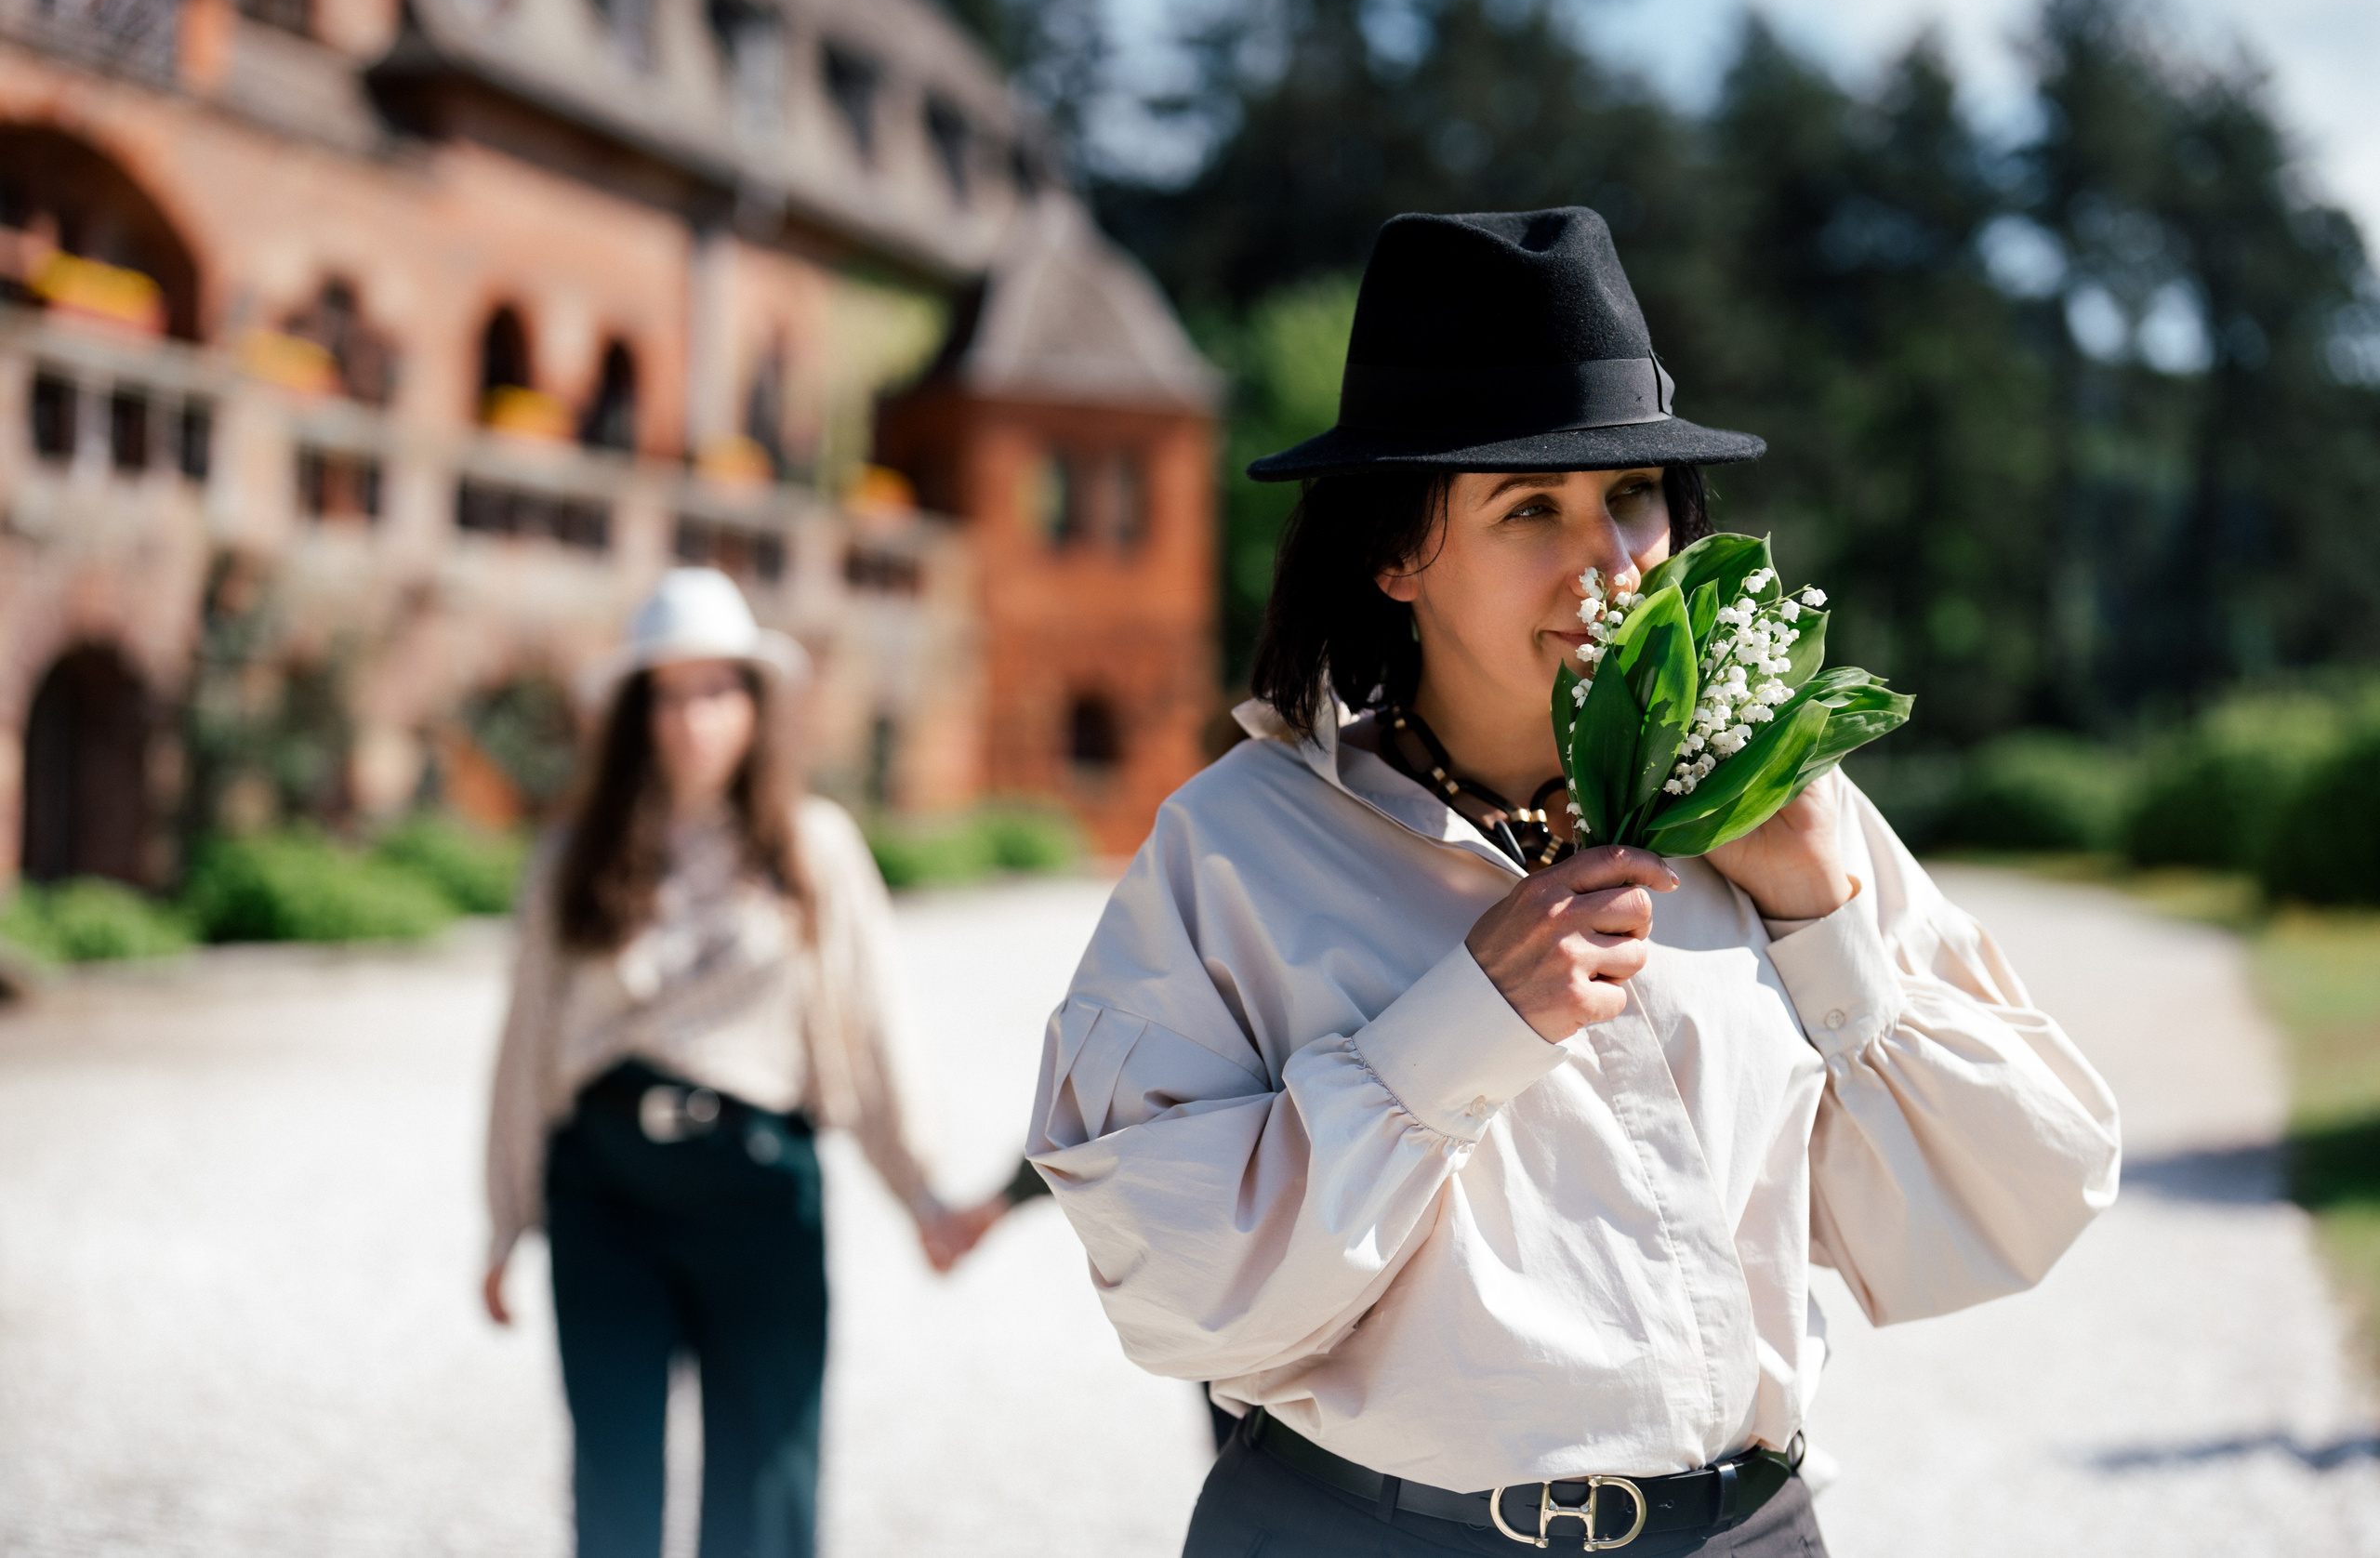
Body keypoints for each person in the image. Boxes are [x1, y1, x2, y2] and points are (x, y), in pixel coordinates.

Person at [1024, 209, 2122, 1556]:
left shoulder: (1781, 810)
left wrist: (1825, 924)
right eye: (1531, 509)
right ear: (1394, 553)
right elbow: (1178, 1301)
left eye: (1634, 497)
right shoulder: (1234, 847)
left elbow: (2028, 1196)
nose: (1609, 564)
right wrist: (1465, 1021)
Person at [480, 567, 1000, 1558]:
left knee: (768, 1491)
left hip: (757, 1193)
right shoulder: (570, 859)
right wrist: (506, 1220)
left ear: (754, 706)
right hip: (605, 1193)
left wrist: (923, 1193)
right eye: (668, 695)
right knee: (614, 1486)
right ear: (636, 713)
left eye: (717, 690)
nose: (693, 720)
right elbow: (525, 1042)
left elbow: (872, 1026)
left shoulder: (815, 851)